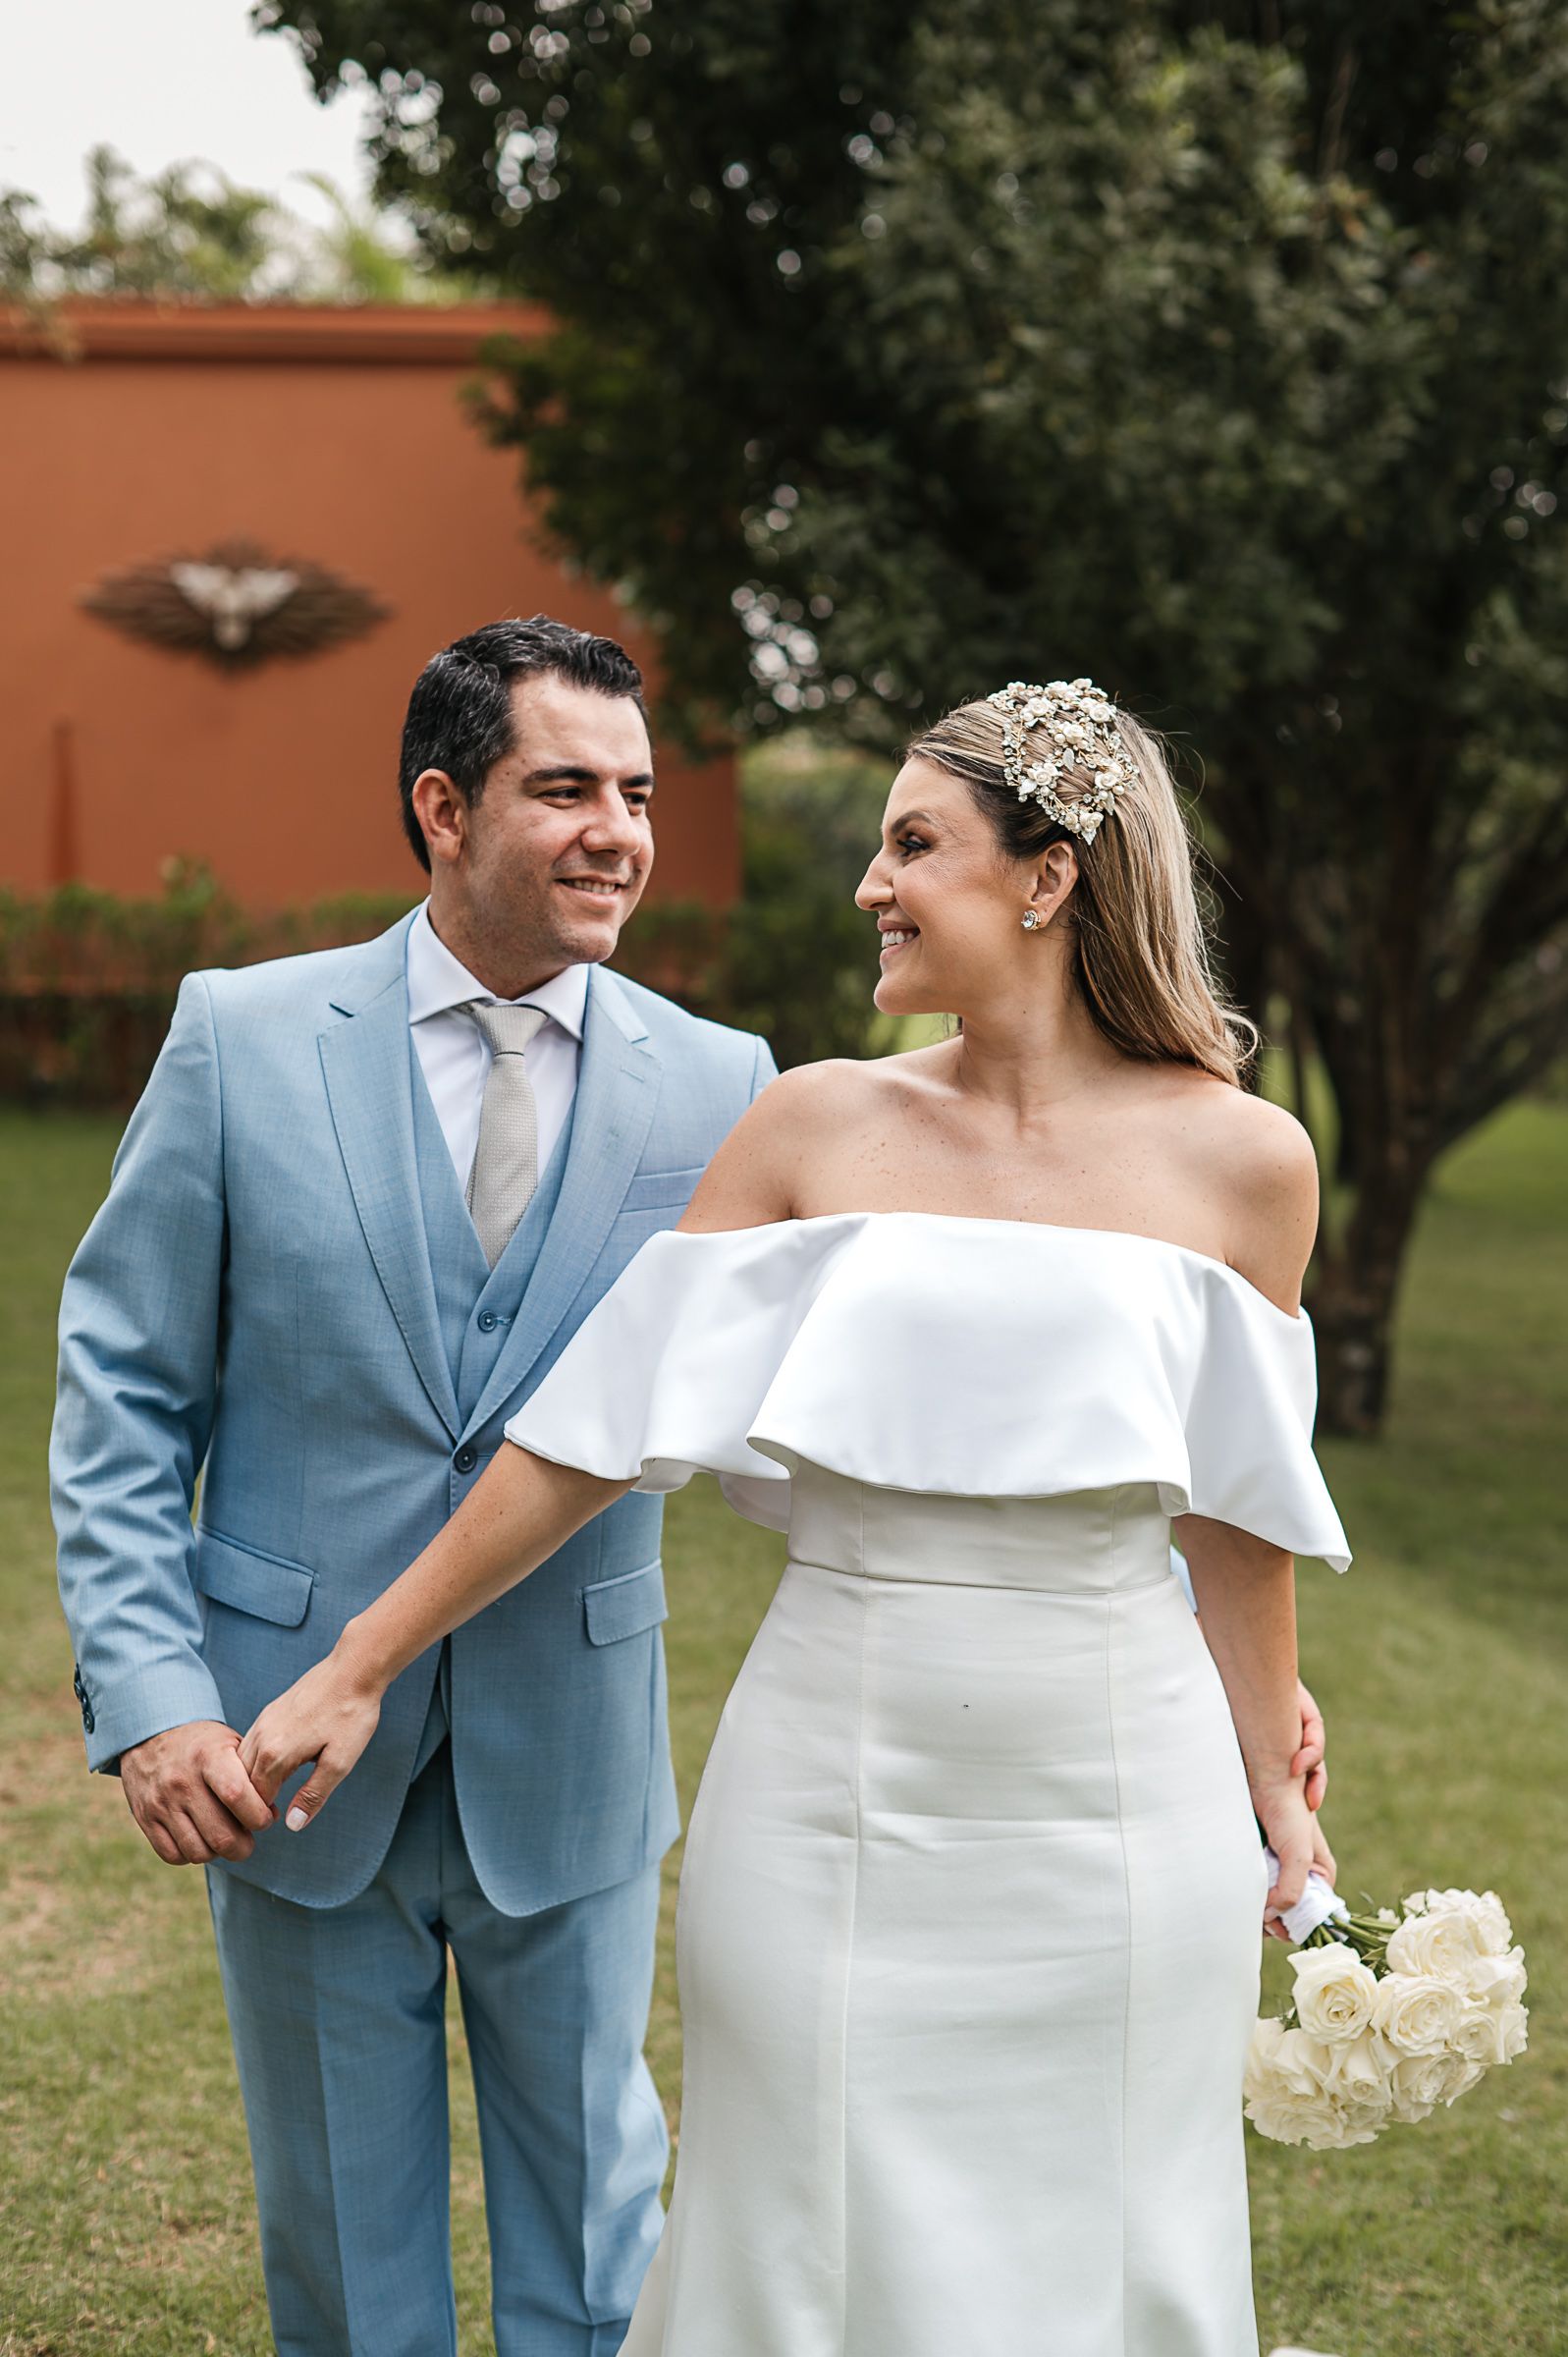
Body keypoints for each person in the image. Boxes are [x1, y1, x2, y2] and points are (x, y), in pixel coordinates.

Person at [238, 676, 1348, 2356]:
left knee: (1111, 2233)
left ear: (1044, 878)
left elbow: (1237, 1524)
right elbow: (585, 1438)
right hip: (828, 1787)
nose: (869, 882)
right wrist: (360, 1661)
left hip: (1123, 1801)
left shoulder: (1248, 1164)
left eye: (913, 843)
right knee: (793, 2235)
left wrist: (1274, 1788)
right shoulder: (813, 1124)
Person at [50, 617, 778, 2357]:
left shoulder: (724, 1083)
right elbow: (123, 1388)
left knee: (600, 2232)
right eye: (565, 789)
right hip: (281, 1748)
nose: (619, 830)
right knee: (342, 2252)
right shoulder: (242, 1036)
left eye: (638, 791)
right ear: (442, 807)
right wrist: (154, 1703)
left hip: (573, 1739)